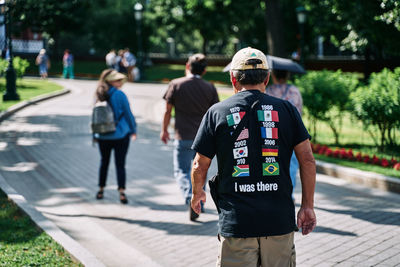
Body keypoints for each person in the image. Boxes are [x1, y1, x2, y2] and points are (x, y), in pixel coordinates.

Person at [191, 47, 316, 266]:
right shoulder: (286, 110)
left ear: (233, 78)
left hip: (237, 223)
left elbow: (199, 165)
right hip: (278, 221)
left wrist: (197, 192)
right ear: (266, 78)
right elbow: (307, 160)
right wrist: (307, 206)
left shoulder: (217, 112)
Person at [160, 53, 219, 220]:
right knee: (202, 169)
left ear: (188, 66)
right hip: (204, 138)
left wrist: (164, 130)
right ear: (205, 70)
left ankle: (189, 197)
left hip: (182, 135)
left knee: (181, 170)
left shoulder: (176, 84)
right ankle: (198, 197)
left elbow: (167, 110)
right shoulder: (210, 87)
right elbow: (215, 114)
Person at [93, 69, 137, 204]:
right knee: (120, 164)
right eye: (117, 80)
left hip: (102, 135)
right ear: (111, 81)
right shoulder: (120, 94)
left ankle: (100, 190)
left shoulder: (99, 94)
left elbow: (95, 117)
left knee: (104, 162)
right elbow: (128, 114)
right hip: (120, 135)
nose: (120, 82)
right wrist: (133, 130)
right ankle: (122, 193)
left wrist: (94, 134)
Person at [266, 69, 303, 200]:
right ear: (287, 75)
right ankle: (289, 193)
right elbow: (299, 112)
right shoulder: (294, 91)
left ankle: (274, 191)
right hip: (291, 132)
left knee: (273, 162)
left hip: (272, 133)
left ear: (274, 76)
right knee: (292, 164)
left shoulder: (269, 90)